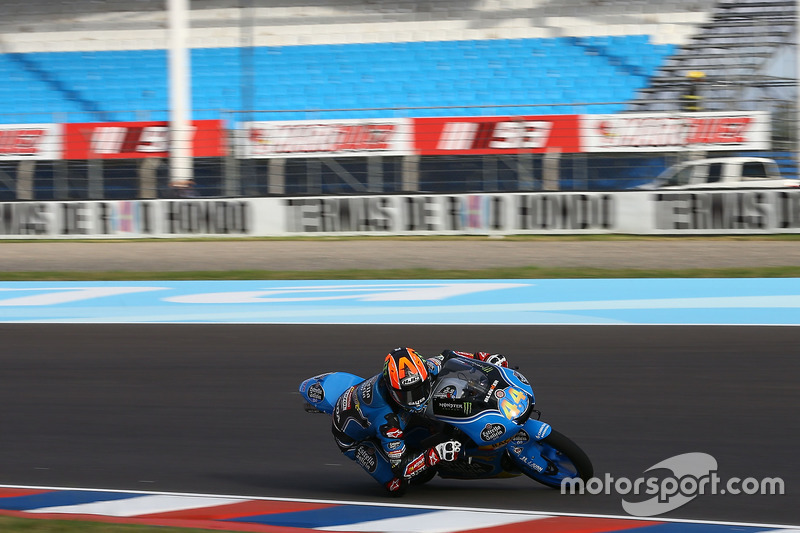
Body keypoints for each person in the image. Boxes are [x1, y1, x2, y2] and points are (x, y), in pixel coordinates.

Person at [331, 347, 508, 495]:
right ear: (392, 390)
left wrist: (485, 358)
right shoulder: (387, 422)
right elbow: (399, 468)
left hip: (386, 412)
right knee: (397, 486)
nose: (415, 399)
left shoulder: (427, 367)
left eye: (420, 388)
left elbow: (451, 356)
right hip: (354, 438)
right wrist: (436, 453)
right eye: (406, 394)